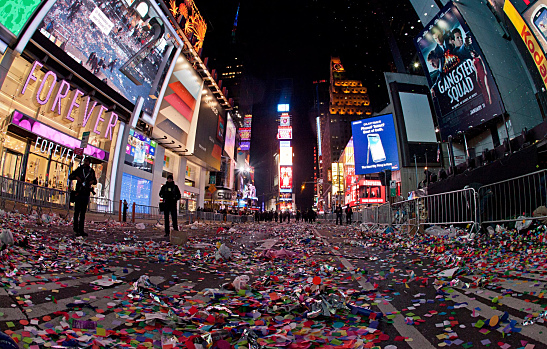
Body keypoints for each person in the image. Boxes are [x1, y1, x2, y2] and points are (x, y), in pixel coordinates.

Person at [69, 157, 97, 237]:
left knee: (83, 213)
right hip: (79, 192)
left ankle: (81, 230)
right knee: (77, 212)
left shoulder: (91, 171)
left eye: (87, 161)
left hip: (86, 193)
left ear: (89, 163)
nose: (85, 162)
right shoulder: (80, 169)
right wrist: (76, 177)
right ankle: (76, 229)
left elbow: (95, 181)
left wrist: (91, 182)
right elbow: (71, 176)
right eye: (85, 161)